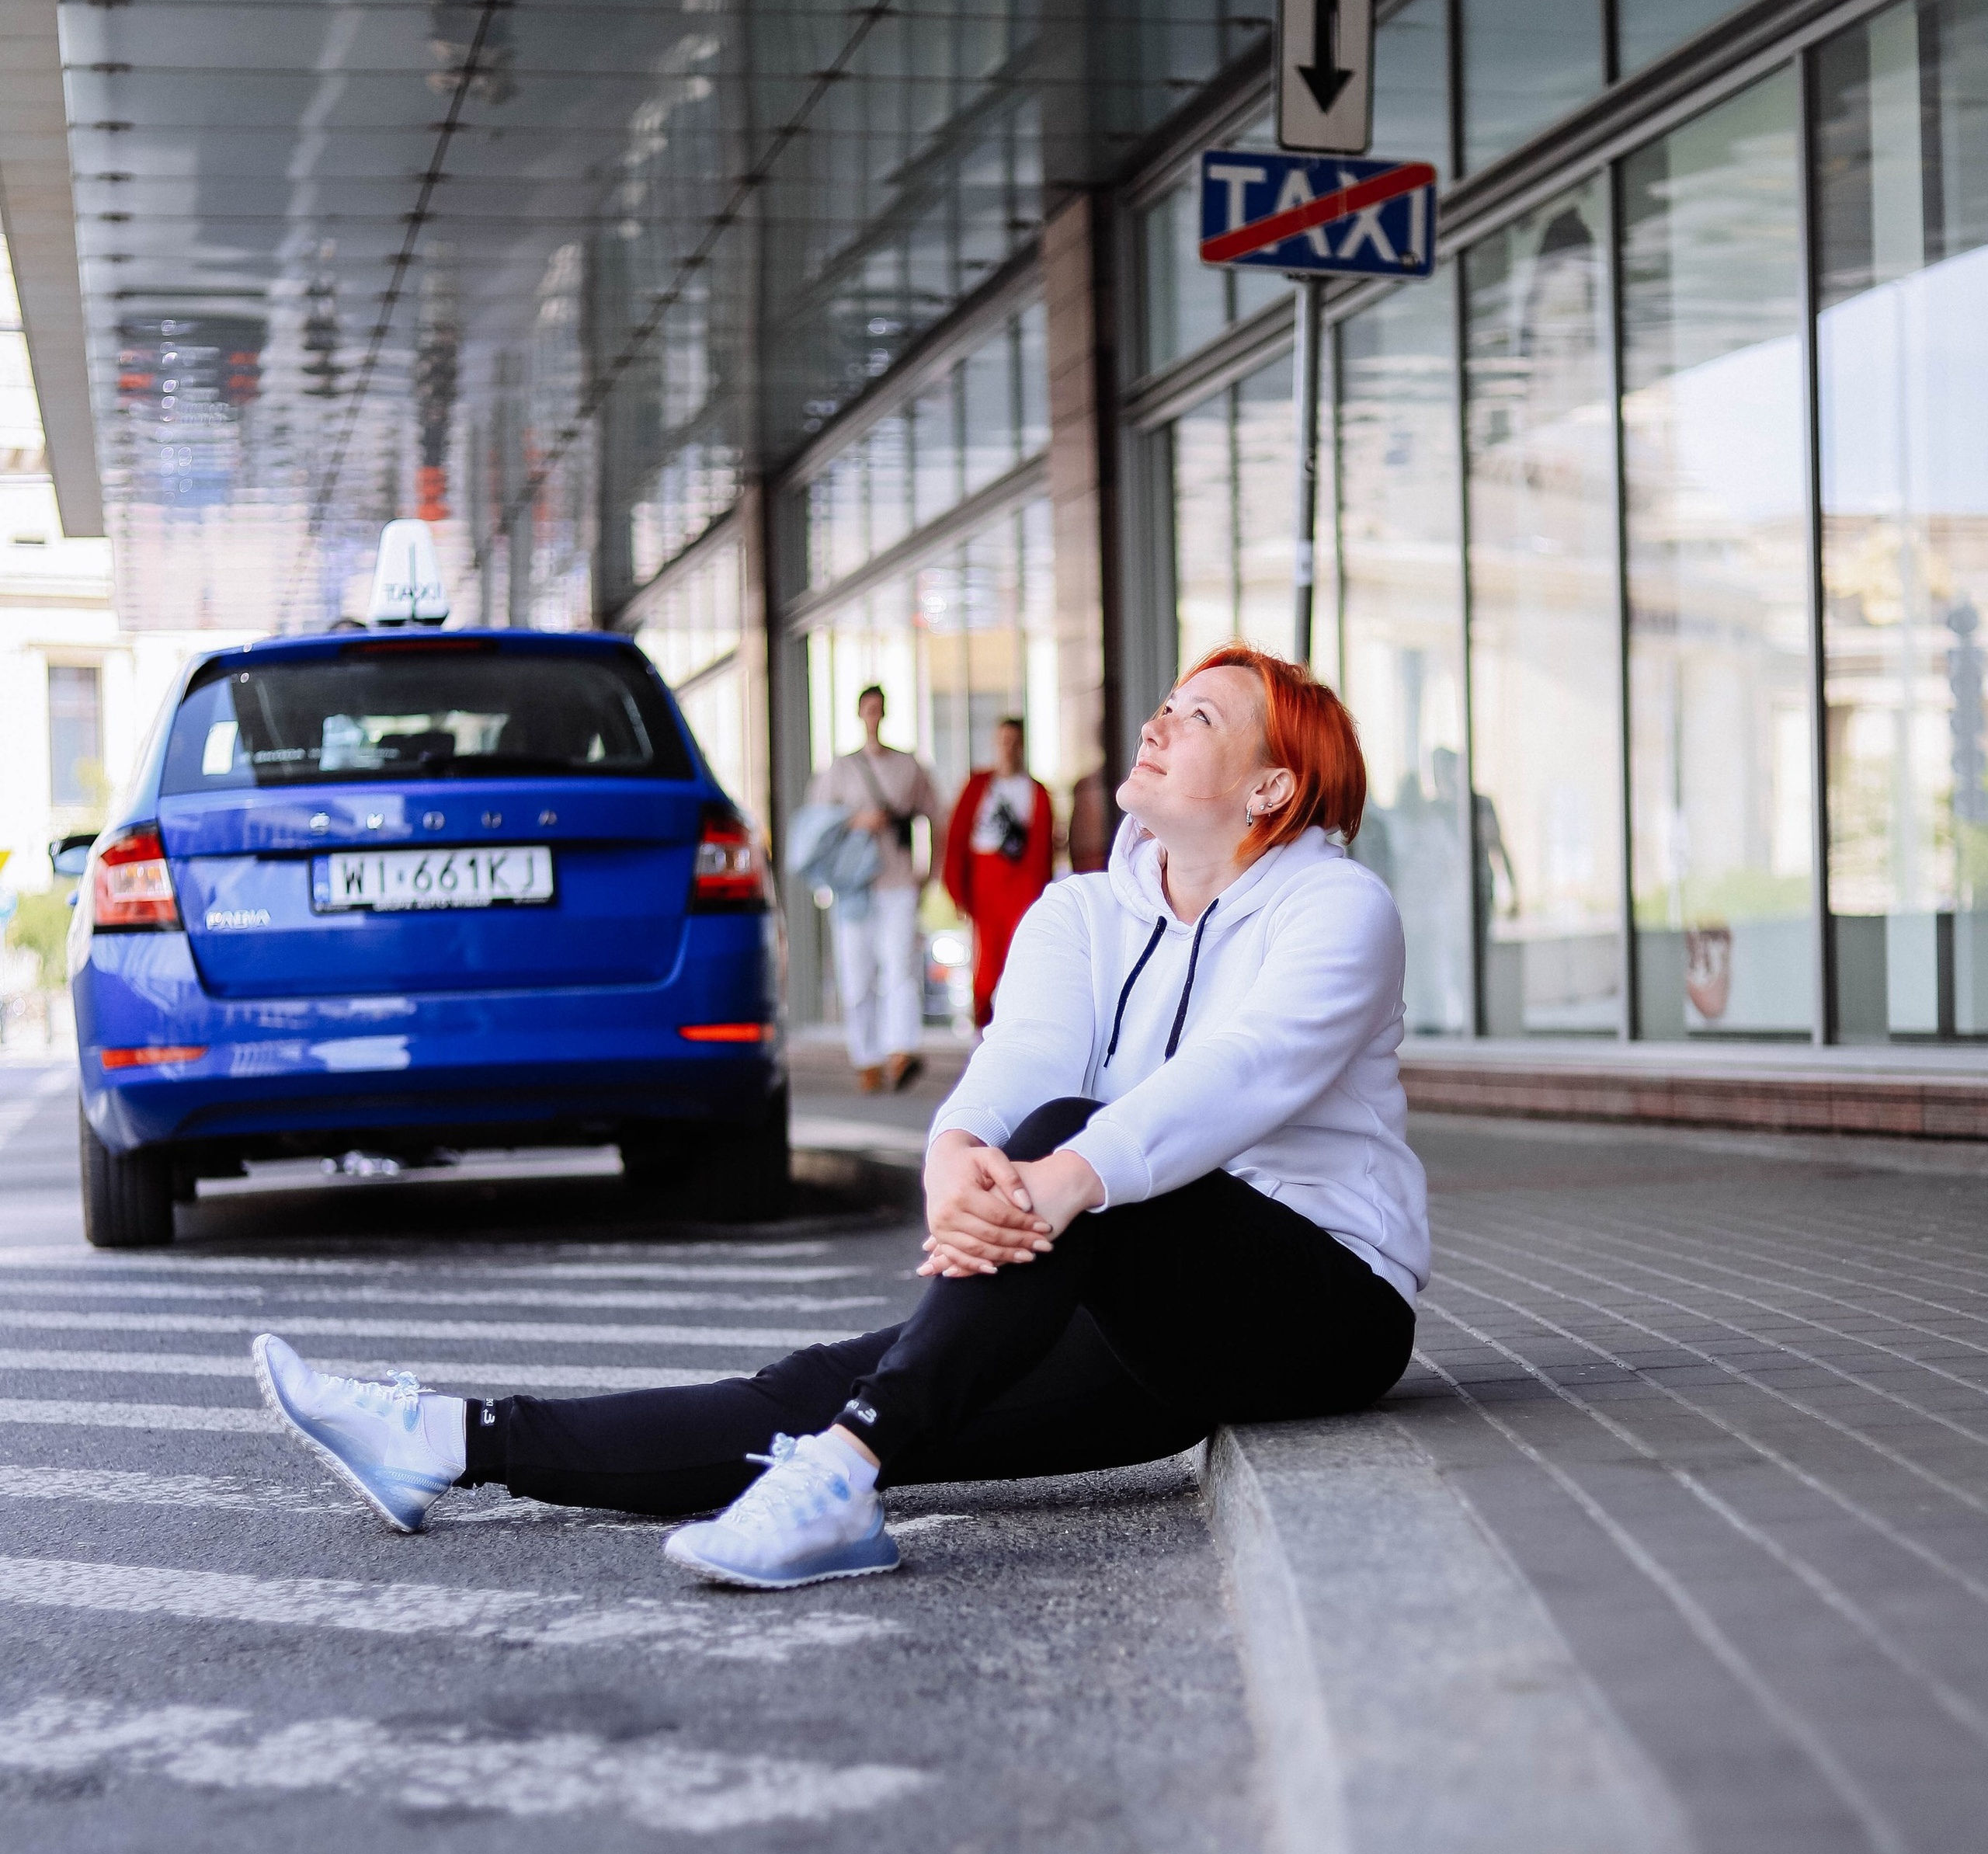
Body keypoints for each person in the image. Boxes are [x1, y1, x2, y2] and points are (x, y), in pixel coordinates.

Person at [252, 645, 1430, 1592]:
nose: (1159, 724)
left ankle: (846, 1476)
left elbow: (1240, 1072)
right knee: (824, 1385)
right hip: (1141, 1317)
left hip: (1320, 1303)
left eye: (1202, 718)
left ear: (1274, 785)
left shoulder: (1336, 908)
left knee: (1062, 1156)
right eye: (1164, 704)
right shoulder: (1081, 913)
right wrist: (956, 1161)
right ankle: (451, 1442)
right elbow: (1018, 1060)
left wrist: (1060, 1179)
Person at [807, 683, 945, 1094]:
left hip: (899, 878)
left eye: (878, 709)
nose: (873, 716)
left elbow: (937, 816)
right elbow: (816, 825)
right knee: (857, 972)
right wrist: (856, 821)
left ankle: (900, 1050)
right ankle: (866, 1057)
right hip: (854, 887)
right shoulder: (841, 769)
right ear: (859, 714)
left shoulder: (908, 766)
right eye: (867, 709)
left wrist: (929, 871)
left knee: (899, 965)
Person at [941, 713, 1055, 1029]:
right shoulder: (979, 785)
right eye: (1004, 742)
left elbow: (1043, 848)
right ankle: (982, 1023)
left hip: (1021, 882)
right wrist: (956, 889)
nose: (1009, 749)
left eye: (1015, 742)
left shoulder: (1036, 792)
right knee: (986, 956)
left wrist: (1039, 892)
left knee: (1019, 952)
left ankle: (1016, 1022)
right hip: (985, 880)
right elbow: (957, 838)